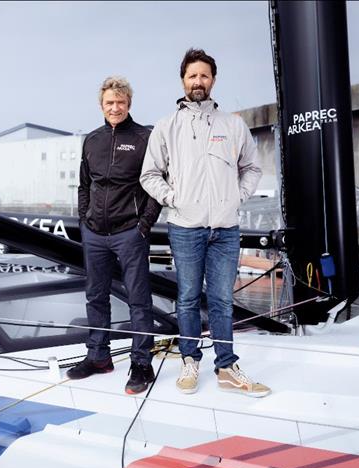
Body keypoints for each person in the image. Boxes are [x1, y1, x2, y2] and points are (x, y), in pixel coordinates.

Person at [140, 48, 270, 397]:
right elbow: (149, 175)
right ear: (183, 80)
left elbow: (252, 167)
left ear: (213, 80)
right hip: (185, 226)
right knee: (186, 298)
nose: (198, 81)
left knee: (222, 300)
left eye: (204, 75)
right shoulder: (167, 127)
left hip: (225, 228)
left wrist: (238, 196)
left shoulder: (233, 125)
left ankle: (226, 366)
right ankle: (189, 360)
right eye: (192, 75)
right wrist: (172, 198)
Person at [67, 76, 162, 395]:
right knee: (95, 295)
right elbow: (84, 185)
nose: (115, 107)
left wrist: (144, 225)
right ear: (101, 105)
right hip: (94, 232)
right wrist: (84, 219)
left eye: (120, 102)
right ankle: (98, 357)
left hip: (129, 232)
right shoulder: (91, 140)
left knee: (138, 299)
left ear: (129, 104)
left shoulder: (144, 137)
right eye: (110, 103)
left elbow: (157, 184)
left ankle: (141, 363)